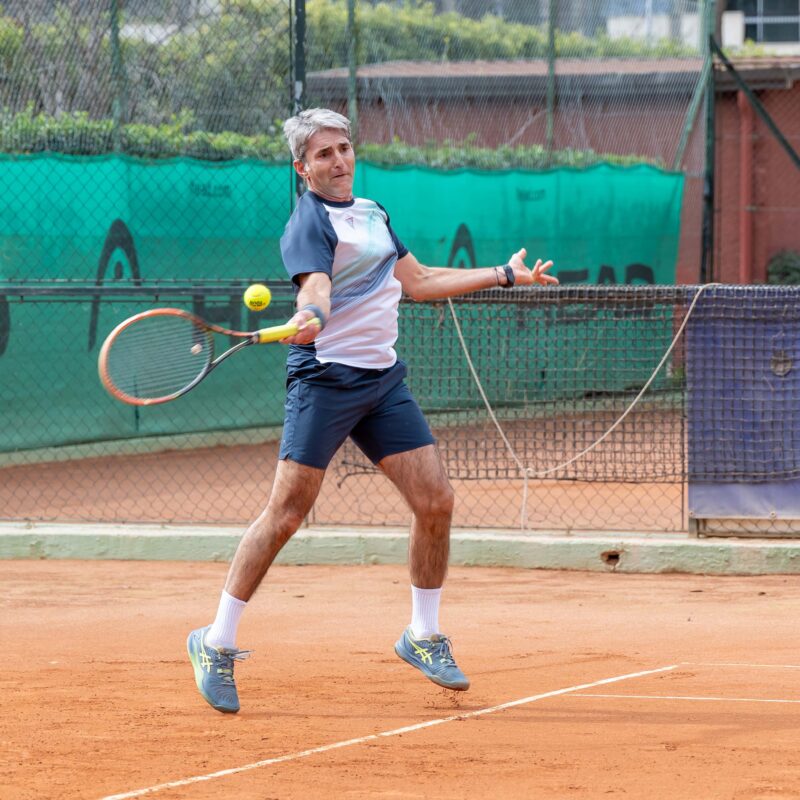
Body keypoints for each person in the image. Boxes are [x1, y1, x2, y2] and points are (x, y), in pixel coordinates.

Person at [187, 108, 558, 714]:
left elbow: (419, 281)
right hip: (326, 381)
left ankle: (423, 634)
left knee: (435, 502)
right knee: (286, 514)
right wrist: (313, 314)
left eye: (344, 147)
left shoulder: (374, 213)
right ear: (303, 167)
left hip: (381, 383)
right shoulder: (307, 223)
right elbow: (316, 288)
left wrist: (503, 275)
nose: (339, 160)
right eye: (324, 154)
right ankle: (215, 641)